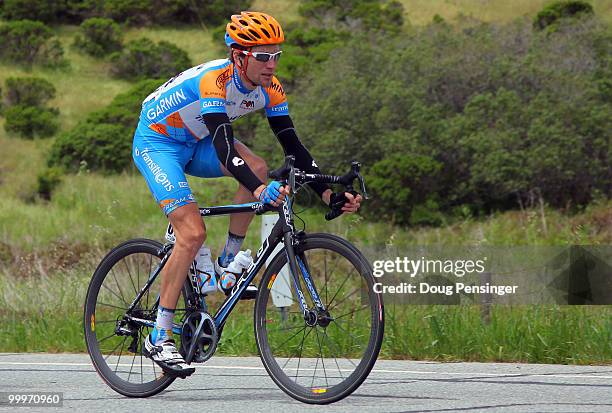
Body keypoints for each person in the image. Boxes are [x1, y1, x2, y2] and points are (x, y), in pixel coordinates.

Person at [132, 11, 362, 377]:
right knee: (193, 232)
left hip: (196, 141)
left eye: (276, 56)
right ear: (239, 56)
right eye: (263, 56)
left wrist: (328, 195)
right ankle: (159, 335)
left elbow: (294, 148)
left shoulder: (272, 88)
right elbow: (225, 148)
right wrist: (260, 189)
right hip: (159, 142)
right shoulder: (215, 81)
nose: (271, 65)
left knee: (257, 166)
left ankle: (226, 266)